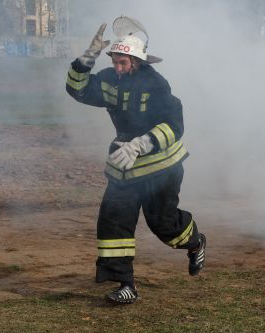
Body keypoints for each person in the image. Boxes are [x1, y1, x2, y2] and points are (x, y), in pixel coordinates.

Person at [65, 17, 206, 304]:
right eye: (114, 61)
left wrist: (141, 144)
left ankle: (195, 242)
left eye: (122, 63)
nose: (117, 68)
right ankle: (126, 284)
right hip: (124, 166)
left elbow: (173, 125)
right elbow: (78, 90)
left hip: (161, 166)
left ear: (137, 61)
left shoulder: (157, 85)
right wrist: (85, 60)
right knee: (113, 221)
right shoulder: (108, 78)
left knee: (164, 224)